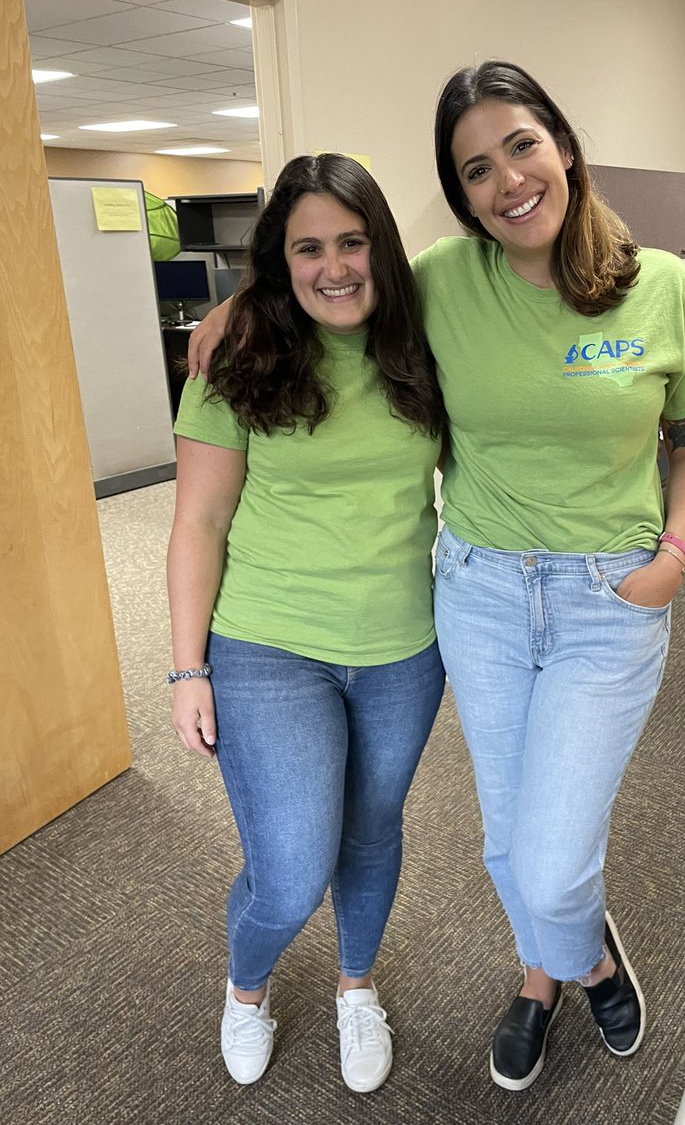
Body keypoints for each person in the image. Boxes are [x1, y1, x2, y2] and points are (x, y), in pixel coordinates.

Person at [188, 61, 685, 1093]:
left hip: (609, 597)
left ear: (562, 145)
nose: (507, 181)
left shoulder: (660, 286)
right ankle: (547, 978)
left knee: (550, 854)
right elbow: (333, 270)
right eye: (475, 169)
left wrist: (673, 560)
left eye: (522, 147)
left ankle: (589, 956)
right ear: (462, 192)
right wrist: (236, 302)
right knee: (505, 842)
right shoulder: (442, 278)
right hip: (478, 594)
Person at [167, 153, 446, 1093]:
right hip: (268, 646)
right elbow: (198, 522)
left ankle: (355, 988)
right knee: (290, 868)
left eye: (353, 242)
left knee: (371, 832)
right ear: (279, 264)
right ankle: (246, 988)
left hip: (405, 646)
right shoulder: (237, 355)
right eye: (309, 248)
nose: (335, 267)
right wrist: (184, 668)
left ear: (382, 247)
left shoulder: (424, 346)